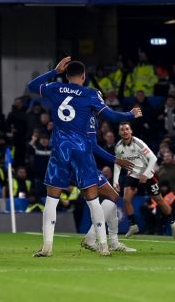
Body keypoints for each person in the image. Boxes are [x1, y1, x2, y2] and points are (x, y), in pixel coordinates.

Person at [27, 57, 142, 257]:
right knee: (93, 201)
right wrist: (131, 114)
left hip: (60, 150)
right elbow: (113, 117)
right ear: (84, 76)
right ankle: (104, 246)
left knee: (51, 200)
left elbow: (31, 86)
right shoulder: (90, 94)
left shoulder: (54, 88)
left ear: (65, 75)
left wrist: (54, 71)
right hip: (81, 151)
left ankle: (47, 247)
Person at [81, 113, 137, 252]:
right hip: (82, 165)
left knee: (111, 197)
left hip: (81, 164)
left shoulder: (78, 115)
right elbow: (93, 146)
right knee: (112, 196)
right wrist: (115, 159)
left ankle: (113, 241)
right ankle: (92, 238)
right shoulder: (89, 117)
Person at [113, 122, 175, 238]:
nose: (125, 131)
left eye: (127, 129)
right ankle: (133, 225)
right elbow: (118, 163)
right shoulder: (118, 146)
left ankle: (172, 223)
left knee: (159, 200)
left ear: (131, 131)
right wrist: (115, 181)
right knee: (126, 199)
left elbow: (153, 158)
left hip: (147, 174)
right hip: (132, 174)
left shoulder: (138, 143)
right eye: (122, 130)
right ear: (119, 133)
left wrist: (146, 174)